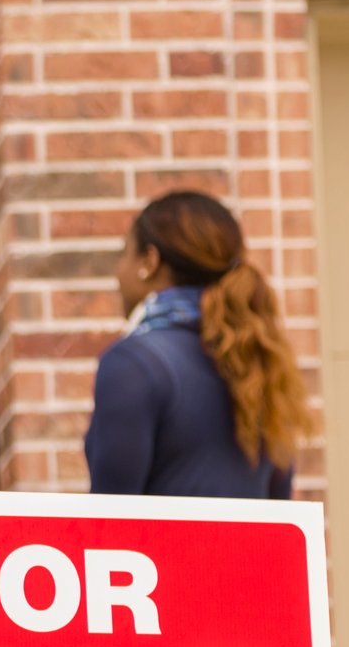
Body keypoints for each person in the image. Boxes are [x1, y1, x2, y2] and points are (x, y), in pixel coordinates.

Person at [85, 190, 308, 499]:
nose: (119, 273)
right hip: (245, 550)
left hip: (159, 550)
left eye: (124, 254)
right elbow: (278, 512)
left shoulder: (133, 363)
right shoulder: (259, 357)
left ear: (149, 261)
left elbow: (109, 522)